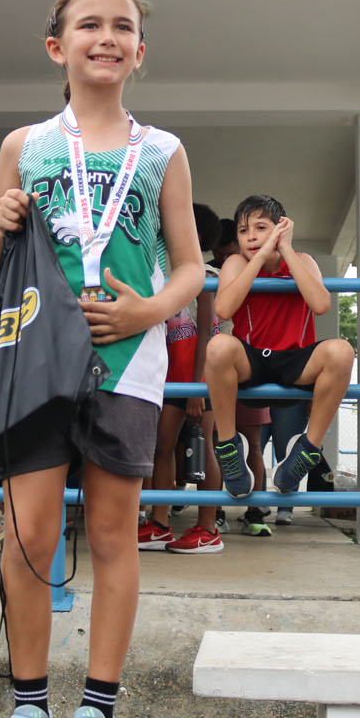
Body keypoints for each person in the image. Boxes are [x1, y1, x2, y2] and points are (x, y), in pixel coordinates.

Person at [0, 0, 203, 718]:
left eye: (123, 27)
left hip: (128, 366)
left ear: (140, 52)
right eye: (89, 24)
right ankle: (29, 716)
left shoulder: (162, 150)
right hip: (36, 359)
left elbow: (191, 264)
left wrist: (150, 311)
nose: (106, 37)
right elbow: (0, 264)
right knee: (28, 536)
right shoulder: (23, 146)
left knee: (113, 535)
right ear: (56, 46)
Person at [203, 194, 354, 501]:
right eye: (244, 231)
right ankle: (230, 447)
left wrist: (285, 249)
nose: (252, 236)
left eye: (261, 227)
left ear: (280, 229)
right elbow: (224, 309)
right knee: (218, 346)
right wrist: (257, 259)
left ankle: (307, 449)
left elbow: (321, 304)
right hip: (253, 358)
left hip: (294, 360)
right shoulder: (236, 262)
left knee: (342, 351)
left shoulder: (303, 260)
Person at [140, 203, 220, 552]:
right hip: (169, 375)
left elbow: (206, 333)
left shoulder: (206, 275)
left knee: (207, 446)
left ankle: (207, 528)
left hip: (203, 377)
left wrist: (197, 389)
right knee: (162, 446)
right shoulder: (163, 274)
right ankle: (159, 523)